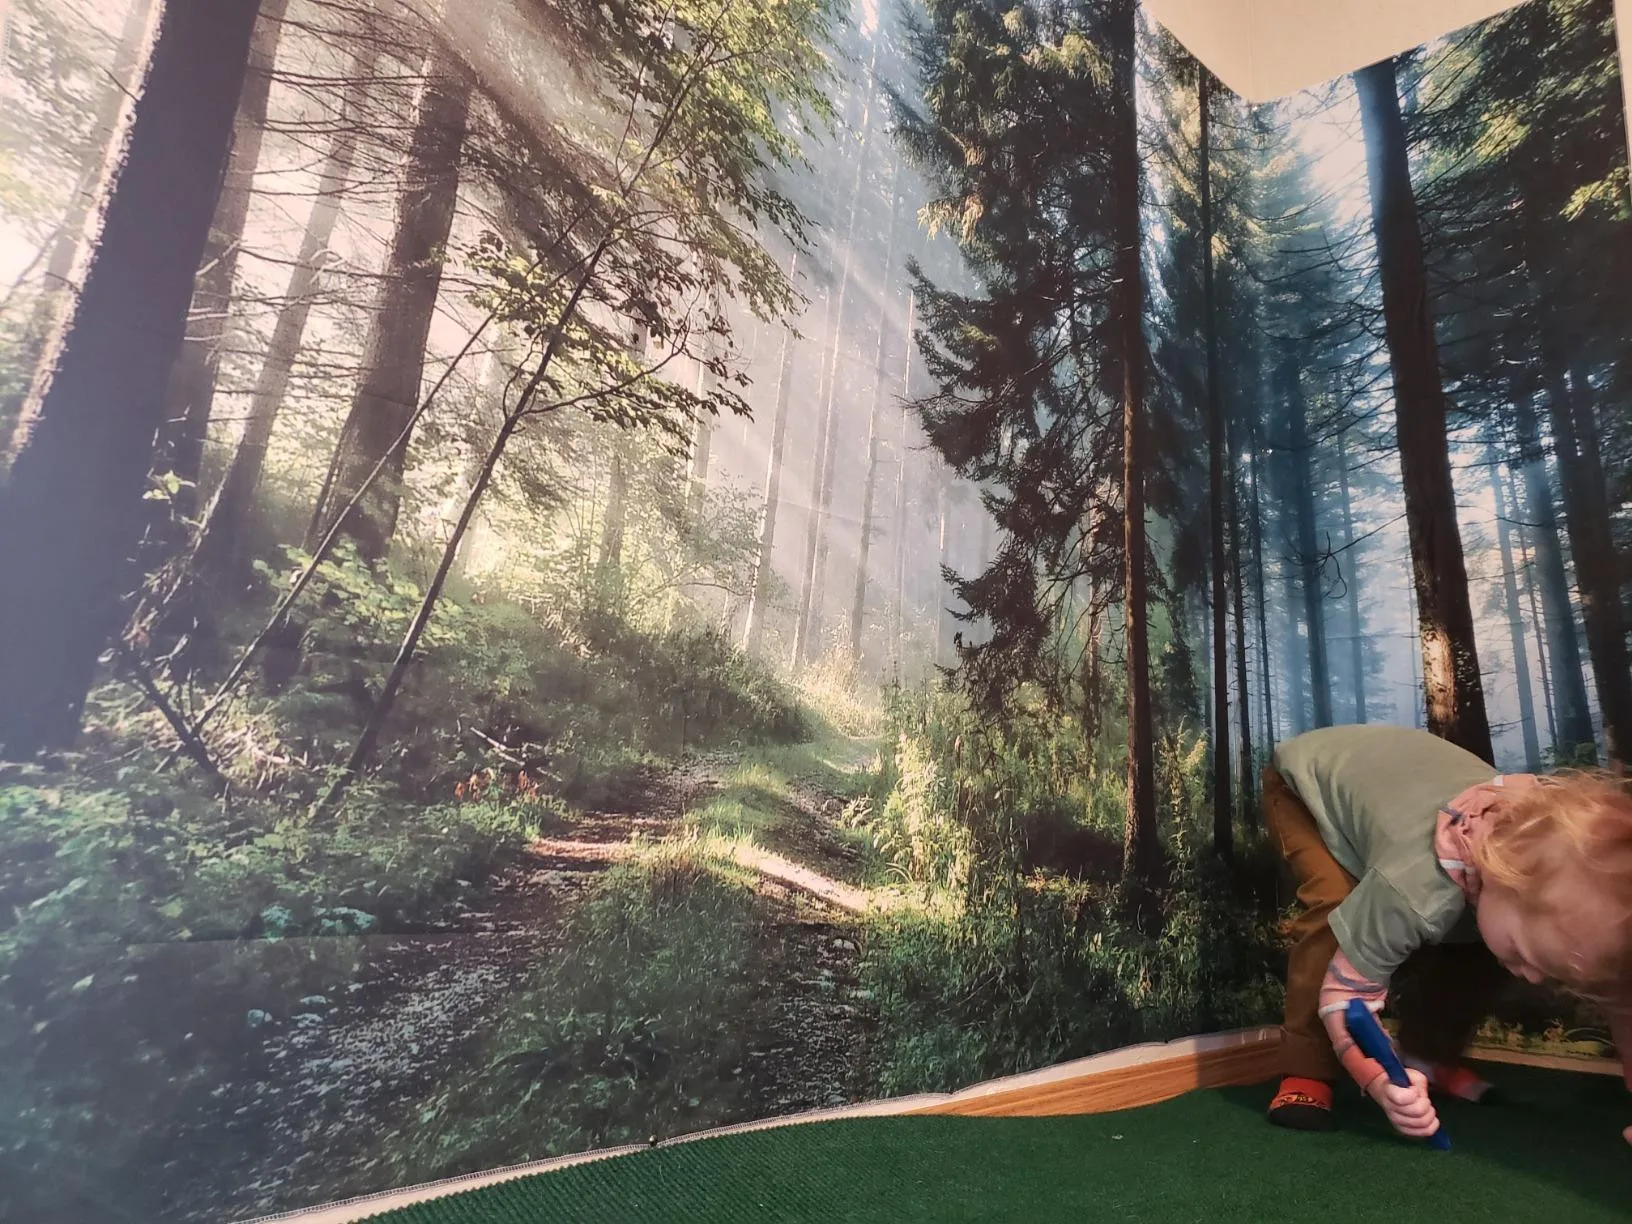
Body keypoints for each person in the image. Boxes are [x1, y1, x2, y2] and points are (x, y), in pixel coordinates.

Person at [1260, 723, 1632, 1144]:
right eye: (1524, 954)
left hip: (1399, 783)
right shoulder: (1419, 887)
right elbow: (1344, 1000)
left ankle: (1427, 1057)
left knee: (1486, 949)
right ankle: (1306, 1069)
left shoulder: (1544, 849)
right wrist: (1379, 1081)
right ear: (1503, 878)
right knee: (1336, 909)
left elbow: (1625, 1001)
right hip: (1307, 785)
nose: (1530, 977)